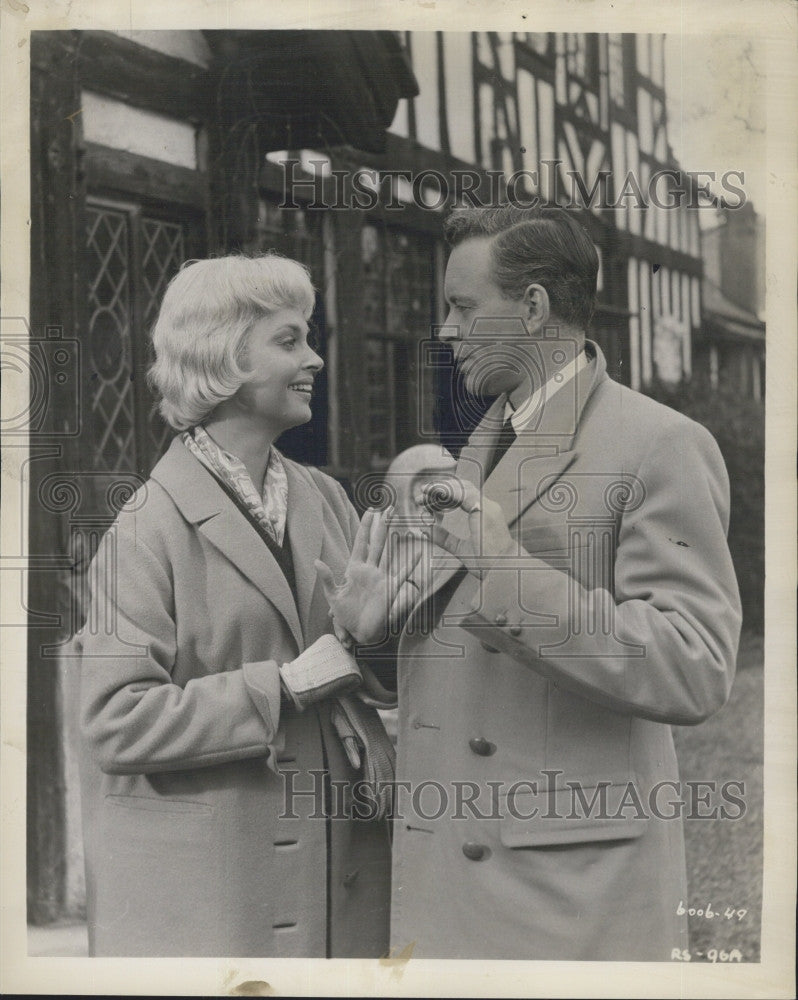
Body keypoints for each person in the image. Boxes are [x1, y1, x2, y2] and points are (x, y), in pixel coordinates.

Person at [389, 205, 742, 960]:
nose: (445, 331)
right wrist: (374, 631)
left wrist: (505, 566)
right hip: (453, 881)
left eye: (461, 307)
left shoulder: (660, 445)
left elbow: (694, 663)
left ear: (535, 307)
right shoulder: (479, 449)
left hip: (567, 897)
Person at [73, 253, 412, 958]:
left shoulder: (324, 497)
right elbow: (113, 724)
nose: (315, 358)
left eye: (308, 338)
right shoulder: (143, 531)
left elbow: (359, 664)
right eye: (288, 341)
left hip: (342, 881)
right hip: (218, 902)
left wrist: (376, 640)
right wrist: (281, 686)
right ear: (223, 360)